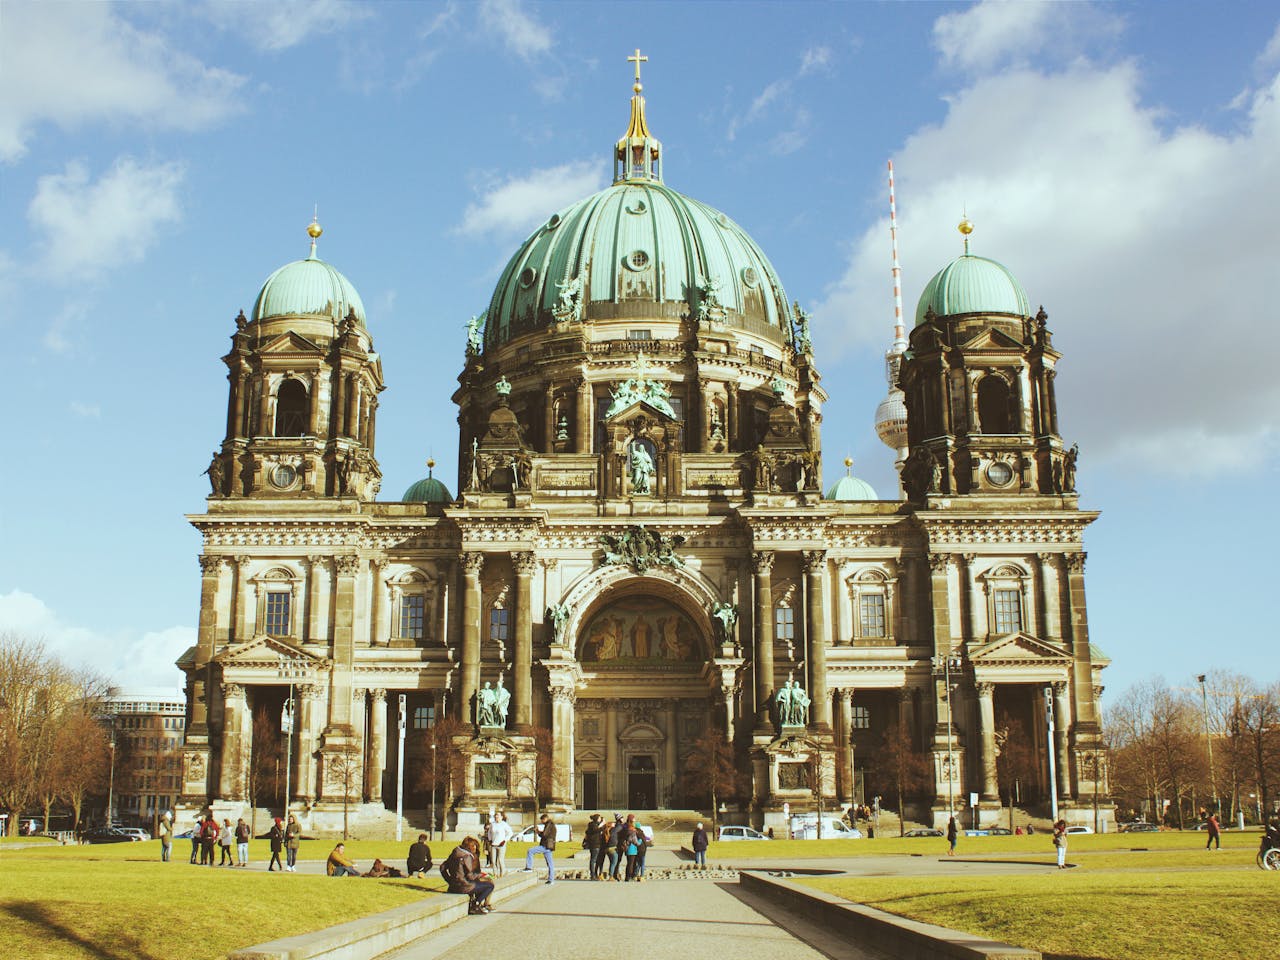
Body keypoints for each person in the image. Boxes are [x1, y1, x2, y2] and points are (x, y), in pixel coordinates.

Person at [442, 836, 494, 915]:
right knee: (490, 885)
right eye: (473, 846)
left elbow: (442, 867)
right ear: (469, 846)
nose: (475, 848)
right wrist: (482, 875)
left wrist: (449, 880)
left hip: (453, 886)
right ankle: (475, 905)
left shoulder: (455, 853)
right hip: (464, 886)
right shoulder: (467, 856)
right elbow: (470, 876)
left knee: (484, 883)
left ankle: (480, 904)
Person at [522, 813, 556, 884]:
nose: (542, 822)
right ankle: (551, 880)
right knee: (550, 864)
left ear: (545, 819)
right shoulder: (551, 824)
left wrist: (537, 831)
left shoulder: (549, 824)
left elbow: (544, 835)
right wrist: (539, 831)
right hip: (549, 846)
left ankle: (529, 867)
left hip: (546, 845)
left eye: (542, 821)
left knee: (530, 851)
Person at [488, 811, 511, 877]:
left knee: (500, 860)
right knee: (493, 861)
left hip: (501, 845)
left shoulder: (504, 824)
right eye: (496, 815)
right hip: (493, 845)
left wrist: (504, 840)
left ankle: (503, 873)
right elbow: (489, 832)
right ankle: (495, 874)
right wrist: (490, 840)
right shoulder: (492, 824)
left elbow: (510, 833)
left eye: (498, 815)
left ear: (501, 817)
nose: (496, 817)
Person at [585, 814, 604, 880]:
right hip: (595, 845)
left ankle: (594, 874)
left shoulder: (592, 825)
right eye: (599, 818)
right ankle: (593, 874)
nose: (600, 819)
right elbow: (596, 830)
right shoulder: (593, 826)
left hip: (593, 845)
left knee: (594, 860)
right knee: (593, 860)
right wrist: (603, 826)